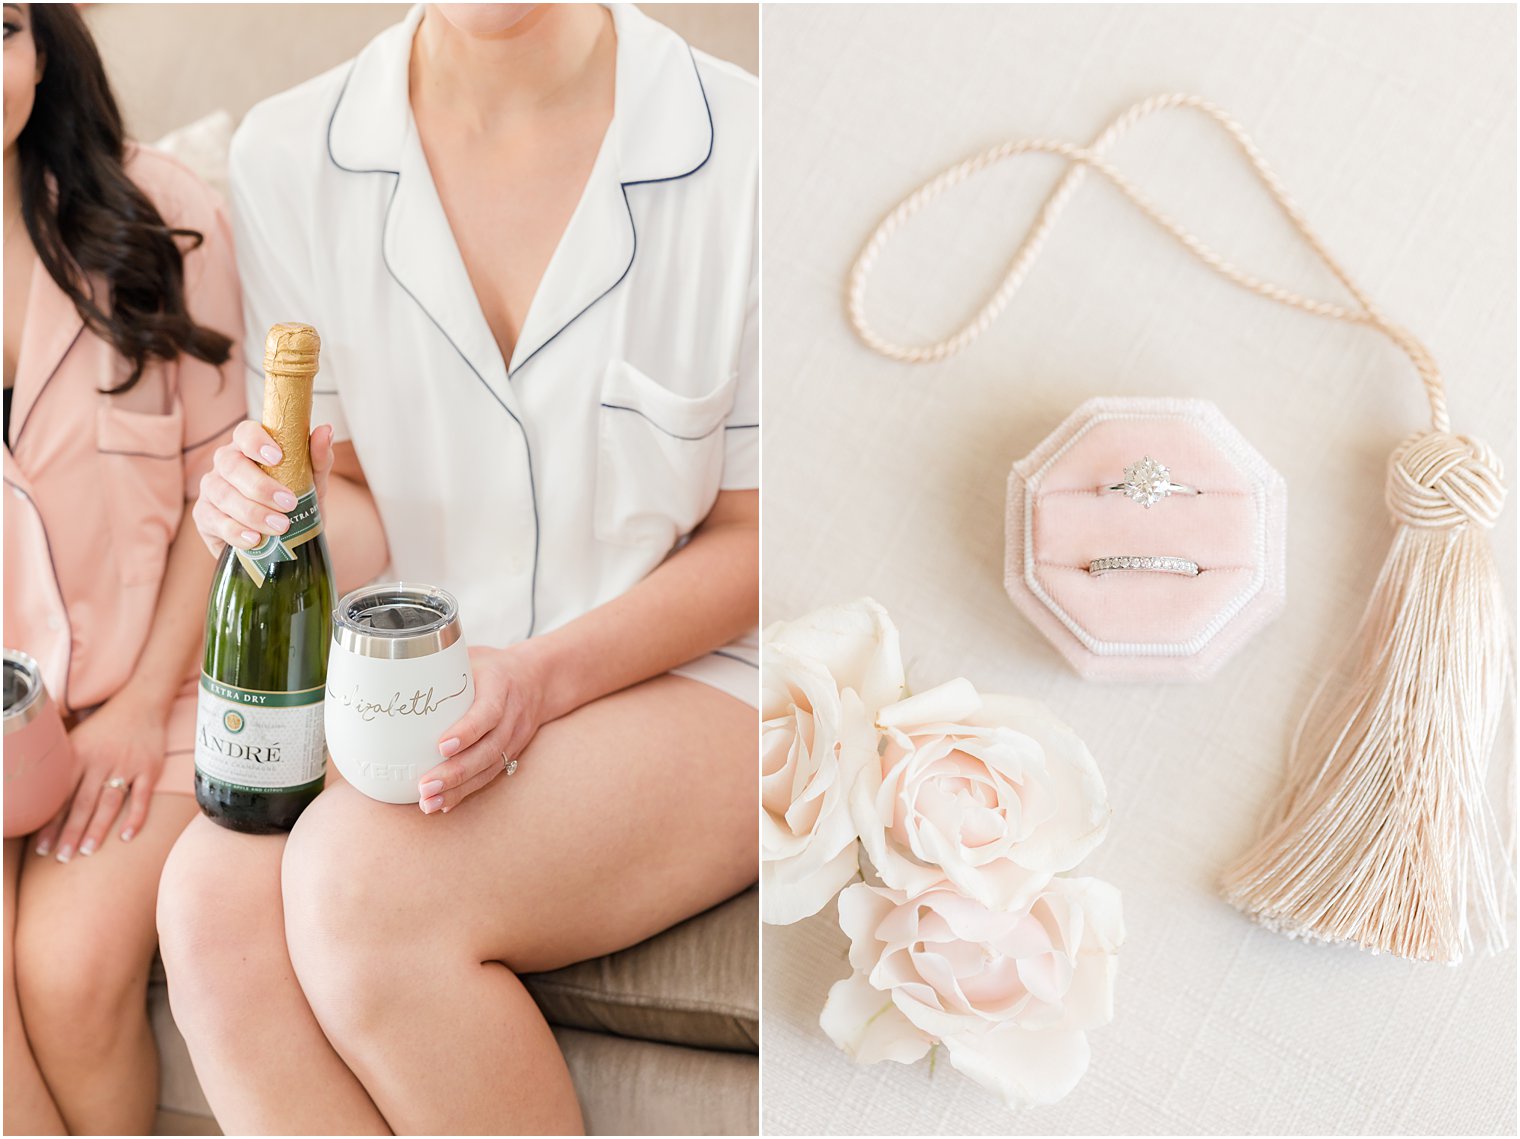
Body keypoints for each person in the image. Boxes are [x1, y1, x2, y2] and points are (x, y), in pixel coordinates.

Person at [156, 4, 758, 1133]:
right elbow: (364, 517)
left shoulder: (748, 146)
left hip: (699, 670)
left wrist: (540, 676)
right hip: (424, 673)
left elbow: (764, 538)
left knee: (359, 884)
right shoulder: (288, 155)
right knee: (207, 901)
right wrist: (262, 502)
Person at [2, 3, 247, 1133]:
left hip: (153, 688)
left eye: (2, 28)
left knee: (64, 969)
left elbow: (228, 492)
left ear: (44, 45)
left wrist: (142, 703)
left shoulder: (162, 215)